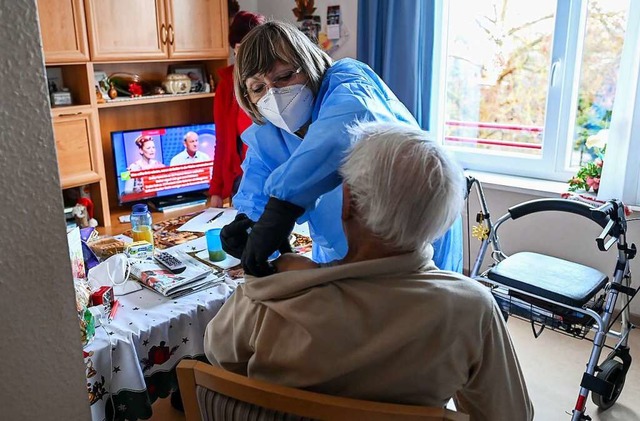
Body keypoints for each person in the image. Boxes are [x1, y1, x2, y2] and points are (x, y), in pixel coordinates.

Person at [205, 121, 534, 420]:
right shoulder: (471, 309)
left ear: (347, 202)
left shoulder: (269, 297)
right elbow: (510, 414)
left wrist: (291, 274)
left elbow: (217, 357)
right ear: (442, 218)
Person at [221, 20, 463, 276]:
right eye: (258, 88)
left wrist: (282, 208)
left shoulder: (349, 83)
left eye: (285, 76)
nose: (274, 94)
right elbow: (258, 193)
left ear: (311, 66)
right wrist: (250, 226)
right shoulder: (268, 133)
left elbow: (343, 130)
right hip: (337, 253)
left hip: (407, 242)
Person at [209, 11, 266, 208]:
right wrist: (216, 191)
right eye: (239, 49)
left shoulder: (273, 82)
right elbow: (222, 142)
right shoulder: (226, 86)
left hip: (273, 176)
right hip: (241, 180)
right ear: (234, 49)